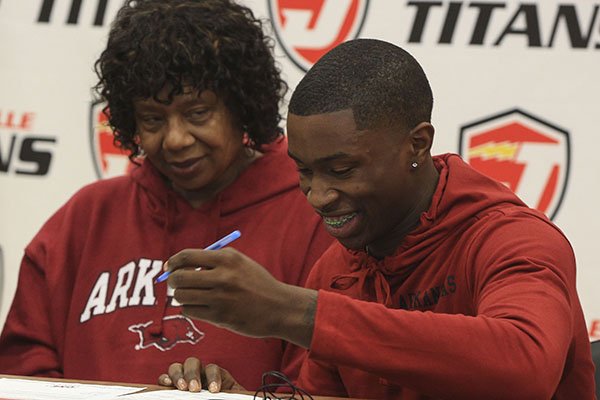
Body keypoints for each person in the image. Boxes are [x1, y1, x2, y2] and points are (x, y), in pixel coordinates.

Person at [157, 39, 596, 398]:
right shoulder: (336, 268)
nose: (319, 195)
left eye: (342, 170)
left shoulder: (513, 239)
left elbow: (525, 367)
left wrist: (294, 312)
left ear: (418, 146)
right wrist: (231, 398)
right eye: (304, 170)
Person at [0, 0, 333, 389]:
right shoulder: (85, 218)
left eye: (197, 113)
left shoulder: (311, 216)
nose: (175, 139)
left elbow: (322, 381)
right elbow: (22, 373)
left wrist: (239, 399)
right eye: (153, 119)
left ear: (241, 105)